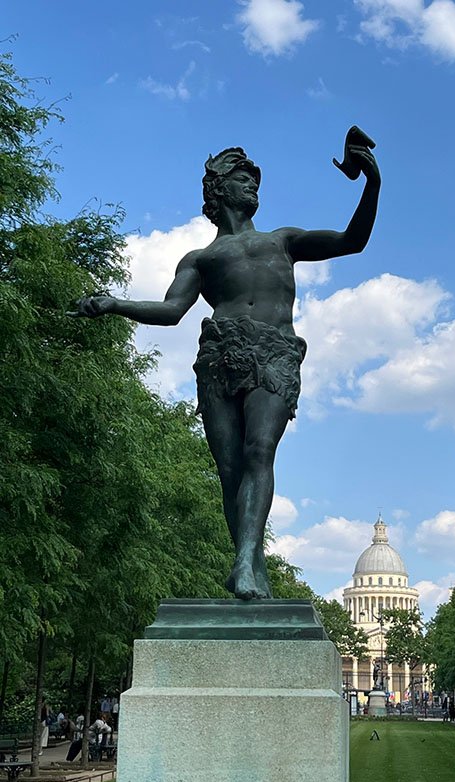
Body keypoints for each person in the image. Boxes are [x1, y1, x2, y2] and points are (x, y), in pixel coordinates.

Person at [69, 132, 380, 600]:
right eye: (242, 180)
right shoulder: (201, 258)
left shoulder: (283, 241)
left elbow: (352, 241)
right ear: (218, 192)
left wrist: (371, 184)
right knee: (230, 468)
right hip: (218, 357)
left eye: (255, 180)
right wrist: (114, 303)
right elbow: (172, 312)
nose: (253, 186)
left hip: (273, 353)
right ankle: (252, 566)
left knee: (259, 451)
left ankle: (243, 565)